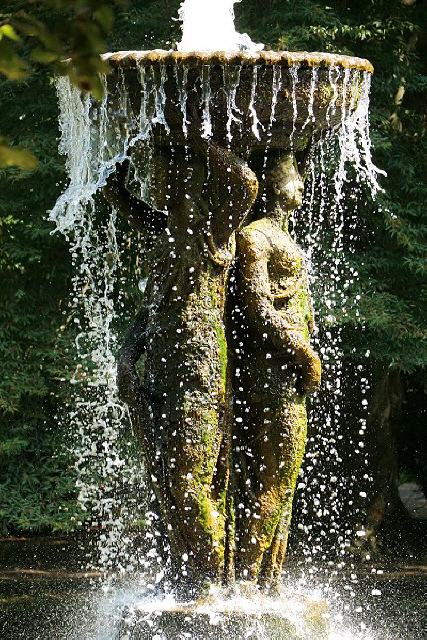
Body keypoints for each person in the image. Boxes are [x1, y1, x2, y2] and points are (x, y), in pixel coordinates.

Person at [231, 152, 321, 589]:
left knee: (282, 482)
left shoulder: (279, 235)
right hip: (272, 372)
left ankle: (270, 581)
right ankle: (246, 582)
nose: (300, 184)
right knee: (275, 478)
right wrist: (304, 354)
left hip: (287, 372)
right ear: (270, 185)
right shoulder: (255, 237)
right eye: (292, 175)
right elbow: (258, 308)